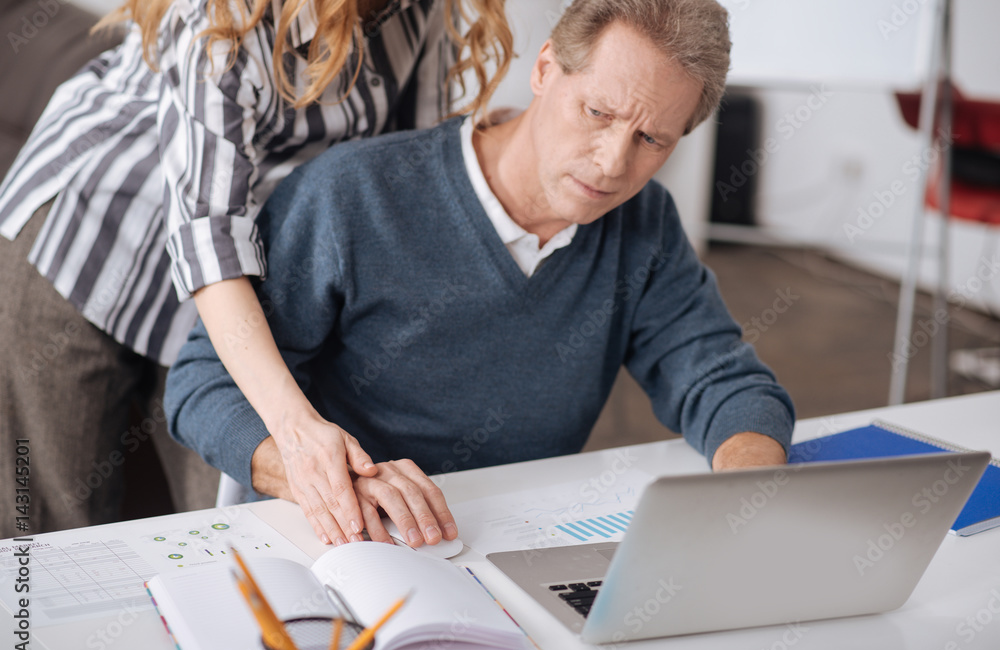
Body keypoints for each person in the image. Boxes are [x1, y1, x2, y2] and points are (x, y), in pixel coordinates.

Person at [166, 0, 795, 548]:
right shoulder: (352, 195)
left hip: (516, 548)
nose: (612, 163)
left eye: (652, 140)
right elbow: (201, 384)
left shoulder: (644, 224)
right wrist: (325, 481)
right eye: (598, 113)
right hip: (349, 544)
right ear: (545, 69)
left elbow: (723, 380)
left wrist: (747, 491)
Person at [0, 0, 512, 539]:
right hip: (85, 239)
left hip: (245, 256)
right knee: (50, 533)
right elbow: (208, 233)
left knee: (232, 532)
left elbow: (408, 167)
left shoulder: (419, 9)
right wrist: (295, 425)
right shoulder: (218, 13)